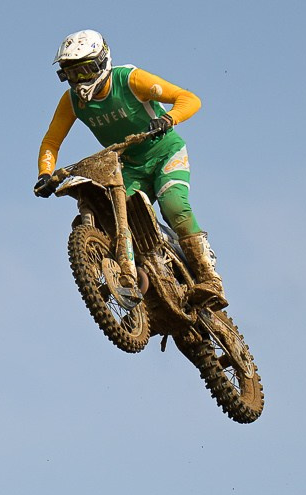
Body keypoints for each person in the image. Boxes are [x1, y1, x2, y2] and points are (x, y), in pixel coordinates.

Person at [32, 30, 226, 307]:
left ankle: (210, 279)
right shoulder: (71, 101)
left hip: (164, 153)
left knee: (173, 206)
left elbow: (189, 98)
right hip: (129, 166)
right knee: (109, 215)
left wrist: (168, 118)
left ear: (102, 62)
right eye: (71, 74)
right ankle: (146, 279)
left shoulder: (130, 79)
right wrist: (45, 174)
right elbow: (51, 141)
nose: (79, 81)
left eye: (85, 71)